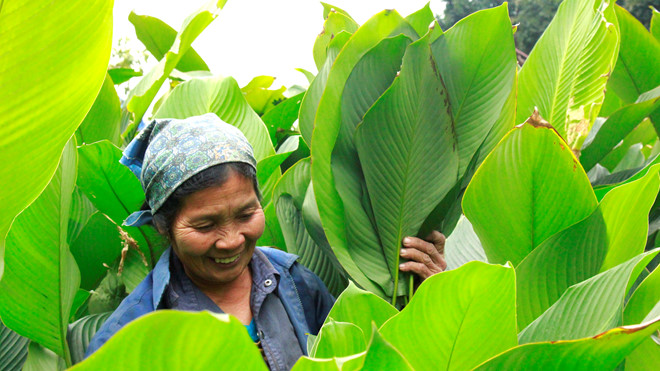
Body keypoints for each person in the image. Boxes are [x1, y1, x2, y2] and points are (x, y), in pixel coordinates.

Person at [86, 113, 446, 369]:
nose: (230, 241)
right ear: (164, 226)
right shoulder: (129, 333)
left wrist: (428, 299)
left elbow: (362, 356)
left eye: (245, 215)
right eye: (206, 225)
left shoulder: (296, 282)